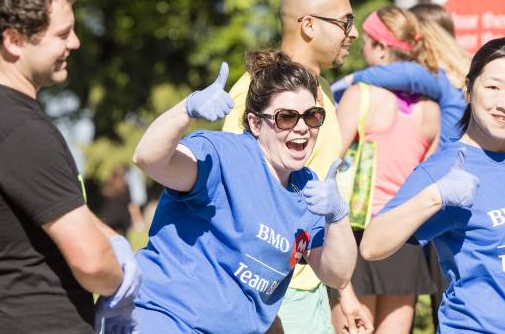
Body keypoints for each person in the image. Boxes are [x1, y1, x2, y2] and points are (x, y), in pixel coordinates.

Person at [0, 0, 140, 333]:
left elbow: (25, 214)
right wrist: (123, 280)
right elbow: (91, 264)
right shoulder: (18, 129)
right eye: (62, 33)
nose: (76, 42)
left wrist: (108, 236)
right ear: (14, 40)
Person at [125, 51, 357, 334]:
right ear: (256, 123)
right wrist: (186, 109)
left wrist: (338, 215)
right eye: (286, 117)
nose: (301, 128)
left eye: (312, 116)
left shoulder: (307, 188)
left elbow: (337, 274)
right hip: (164, 319)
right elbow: (148, 159)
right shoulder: (222, 155)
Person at [361, 37, 505, 333]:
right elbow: (372, 246)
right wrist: (436, 197)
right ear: (469, 88)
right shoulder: (446, 169)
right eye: (493, 87)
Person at [223, 0, 370, 334]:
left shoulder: (318, 92)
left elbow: (315, 207)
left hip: (308, 286)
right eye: (345, 22)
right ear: (308, 25)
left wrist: (343, 293)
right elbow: (235, 201)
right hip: (271, 294)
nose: (353, 34)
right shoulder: (257, 96)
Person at [334, 5, 441, 333]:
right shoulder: (430, 108)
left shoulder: (361, 95)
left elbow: (327, 162)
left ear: (381, 47)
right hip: (404, 236)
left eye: (367, 40)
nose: (362, 47)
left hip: (356, 232)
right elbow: (429, 175)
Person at [332, 5, 469, 146]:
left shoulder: (435, 73)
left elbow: (408, 74)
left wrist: (349, 80)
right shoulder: (449, 73)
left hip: (446, 161)